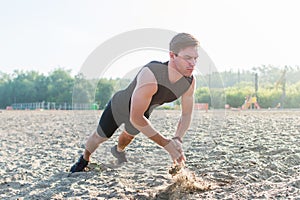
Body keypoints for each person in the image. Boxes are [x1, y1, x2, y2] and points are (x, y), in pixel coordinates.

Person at [70, 33, 199, 173]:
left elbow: (186, 114)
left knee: (128, 136)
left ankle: (118, 150)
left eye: (195, 58)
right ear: (172, 55)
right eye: (187, 58)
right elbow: (135, 117)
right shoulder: (151, 74)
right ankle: (84, 159)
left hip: (143, 112)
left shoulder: (189, 82)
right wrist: (166, 144)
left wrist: (177, 138)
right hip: (119, 107)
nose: (192, 63)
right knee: (100, 137)